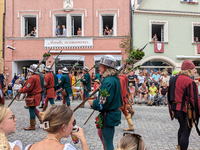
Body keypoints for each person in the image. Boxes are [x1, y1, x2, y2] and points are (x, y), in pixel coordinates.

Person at [91, 55, 122, 150]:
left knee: (108, 144)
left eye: (101, 66)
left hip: (108, 115)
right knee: (103, 137)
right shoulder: (114, 78)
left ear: (107, 67)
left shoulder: (108, 81)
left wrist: (93, 103)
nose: (99, 68)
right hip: (111, 114)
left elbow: (103, 103)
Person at [168, 59, 200, 150]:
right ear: (188, 70)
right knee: (185, 131)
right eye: (193, 69)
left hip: (176, 108)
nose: (195, 71)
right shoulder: (190, 82)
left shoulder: (173, 79)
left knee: (182, 128)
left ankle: (179, 147)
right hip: (185, 110)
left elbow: (169, 95)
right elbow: (194, 99)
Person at [25, 105, 89, 150]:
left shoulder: (29, 147)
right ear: (63, 127)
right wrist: (83, 140)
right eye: (73, 122)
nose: (74, 125)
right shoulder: (67, 148)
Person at [19, 64, 42, 130]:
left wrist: (21, 90)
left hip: (33, 95)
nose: (29, 72)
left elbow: (28, 88)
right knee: (33, 108)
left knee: (31, 109)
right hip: (37, 94)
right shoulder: (38, 76)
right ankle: (42, 118)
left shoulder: (32, 77)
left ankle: (32, 125)